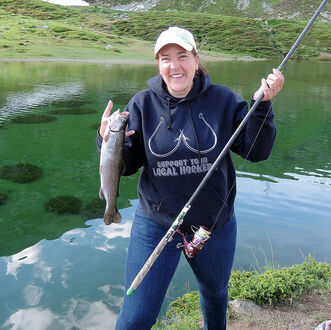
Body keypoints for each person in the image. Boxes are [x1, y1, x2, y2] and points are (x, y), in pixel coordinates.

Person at [96, 26, 284, 329]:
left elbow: (256, 151)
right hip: (155, 223)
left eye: (182, 56)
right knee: (136, 317)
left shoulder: (223, 101)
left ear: (196, 60)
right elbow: (125, 166)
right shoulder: (141, 105)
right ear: (158, 64)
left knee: (215, 297)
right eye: (166, 58)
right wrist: (106, 140)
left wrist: (261, 107)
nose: (175, 65)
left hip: (214, 224)